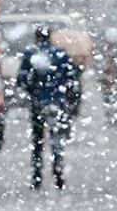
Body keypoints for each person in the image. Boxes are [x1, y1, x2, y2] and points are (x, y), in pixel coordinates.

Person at [17, 26, 81, 190]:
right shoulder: (61, 54)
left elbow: (22, 79)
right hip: (57, 102)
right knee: (56, 140)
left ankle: (37, 177)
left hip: (38, 103)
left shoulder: (32, 54)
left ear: (36, 37)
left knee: (38, 141)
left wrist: (33, 91)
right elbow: (72, 79)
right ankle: (58, 173)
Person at [97, 37, 117, 128]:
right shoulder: (104, 57)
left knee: (113, 100)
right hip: (107, 83)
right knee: (108, 101)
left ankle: (113, 118)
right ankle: (109, 117)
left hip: (113, 84)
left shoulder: (115, 58)